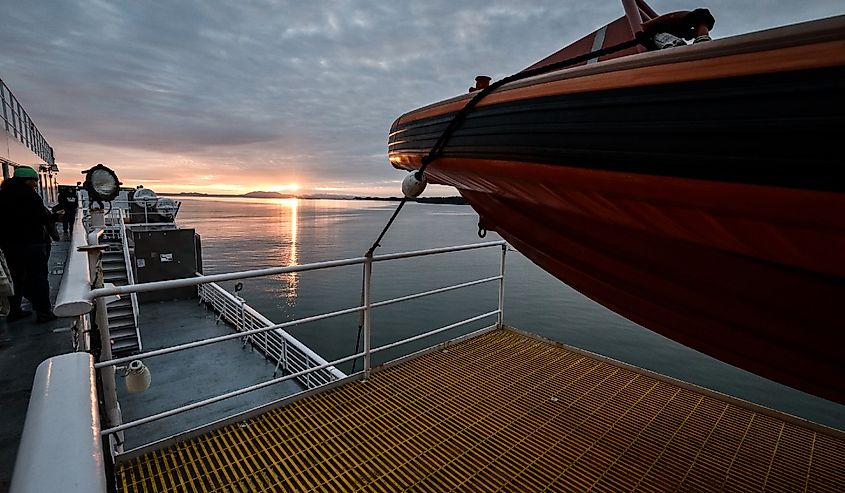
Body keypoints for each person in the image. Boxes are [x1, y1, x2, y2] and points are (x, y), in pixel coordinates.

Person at [0, 166, 63, 323]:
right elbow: (40, 218)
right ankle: (43, 312)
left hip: (10, 245)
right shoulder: (30, 196)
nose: (36, 185)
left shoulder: (2, 195)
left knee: (16, 278)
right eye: (35, 181)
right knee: (39, 277)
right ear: (28, 180)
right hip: (32, 243)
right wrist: (56, 217)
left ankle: (14, 311)